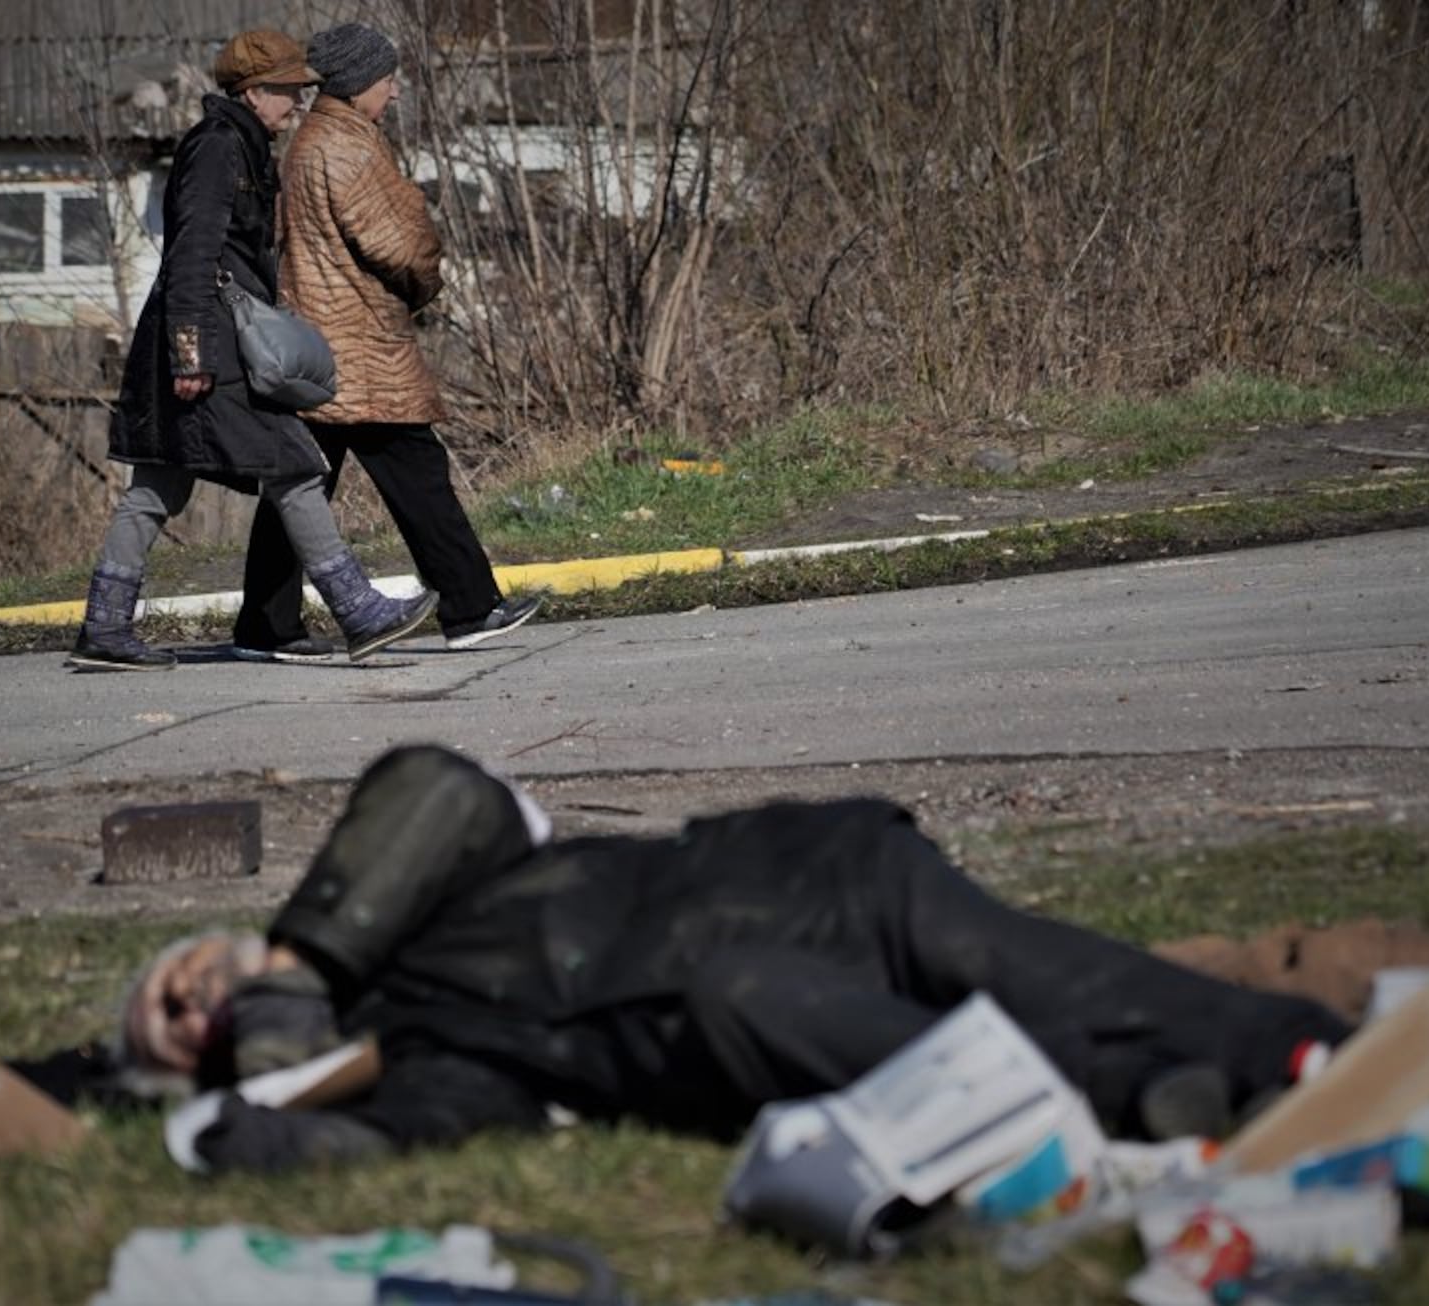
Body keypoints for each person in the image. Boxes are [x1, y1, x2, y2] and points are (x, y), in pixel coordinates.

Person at [118, 746, 1354, 1175]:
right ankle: (1142, 1100)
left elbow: (435, 785)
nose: (193, 1003)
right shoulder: (417, 1058)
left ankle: (1296, 1051)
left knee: (997, 952)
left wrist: (286, 971)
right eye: (182, 1031)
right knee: (771, 1008)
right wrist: (260, 1102)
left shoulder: (389, 892)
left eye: (177, 979)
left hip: (811, 882)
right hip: (736, 1008)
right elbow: (392, 1137)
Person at [68, 30, 436, 672]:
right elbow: (191, 255)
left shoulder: (240, 142)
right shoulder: (217, 149)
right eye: (289, 91)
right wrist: (189, 356)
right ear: (254, 91)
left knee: (157, 485)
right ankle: (356, 609)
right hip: (206, 345)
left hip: (206, 339)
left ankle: (104, 627)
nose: (298, 102)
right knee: (294, 465)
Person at [227, 23, 541, 664]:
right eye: (387, 80)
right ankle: (471, 609)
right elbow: (397, 243)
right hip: (360, 342)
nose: (393, 93)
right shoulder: (345, 146)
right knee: (417, 473)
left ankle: (267, 624)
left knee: (300, 481)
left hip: (326, 337)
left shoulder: (318, 141)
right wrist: (427, 273)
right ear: (357, 83)